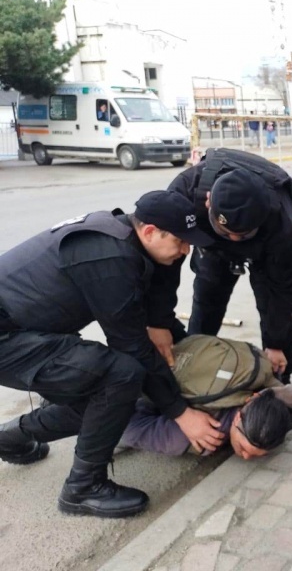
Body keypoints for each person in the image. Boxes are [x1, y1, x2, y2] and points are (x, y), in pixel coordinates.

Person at [0, 191, 224, 518]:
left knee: (104, 397)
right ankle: (83, 487)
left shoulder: (122, 240)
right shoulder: (110, 259)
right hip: (7, 337)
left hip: (24, 327)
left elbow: (144, 319)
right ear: (149, 232)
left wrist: (195, 354)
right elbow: (132, 347)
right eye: (180, 241)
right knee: (121, 375)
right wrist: (181, 413)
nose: (185, 250)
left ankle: (10, 437)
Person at [147, 148, 292, 383]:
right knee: (206, 301)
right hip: (211, 247)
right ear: (209, 201)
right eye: (226, 232)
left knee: (274, 313)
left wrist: (276, 343)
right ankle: (191, 368)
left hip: (264, 250)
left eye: (240, 235)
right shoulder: (185, 194)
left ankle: (279, 387)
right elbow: (162, 268)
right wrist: (157, 322)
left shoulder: (280, 222)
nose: (233, 240)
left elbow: (284, 290)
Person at [119, 335, 292, 460]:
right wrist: (178, 413)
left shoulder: (269, 389)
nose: (246, 458)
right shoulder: (194, 438)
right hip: (135, 369)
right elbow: (126, 428)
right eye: (243, 448)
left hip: (190, 343)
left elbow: (291, 399)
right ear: (238, 417)